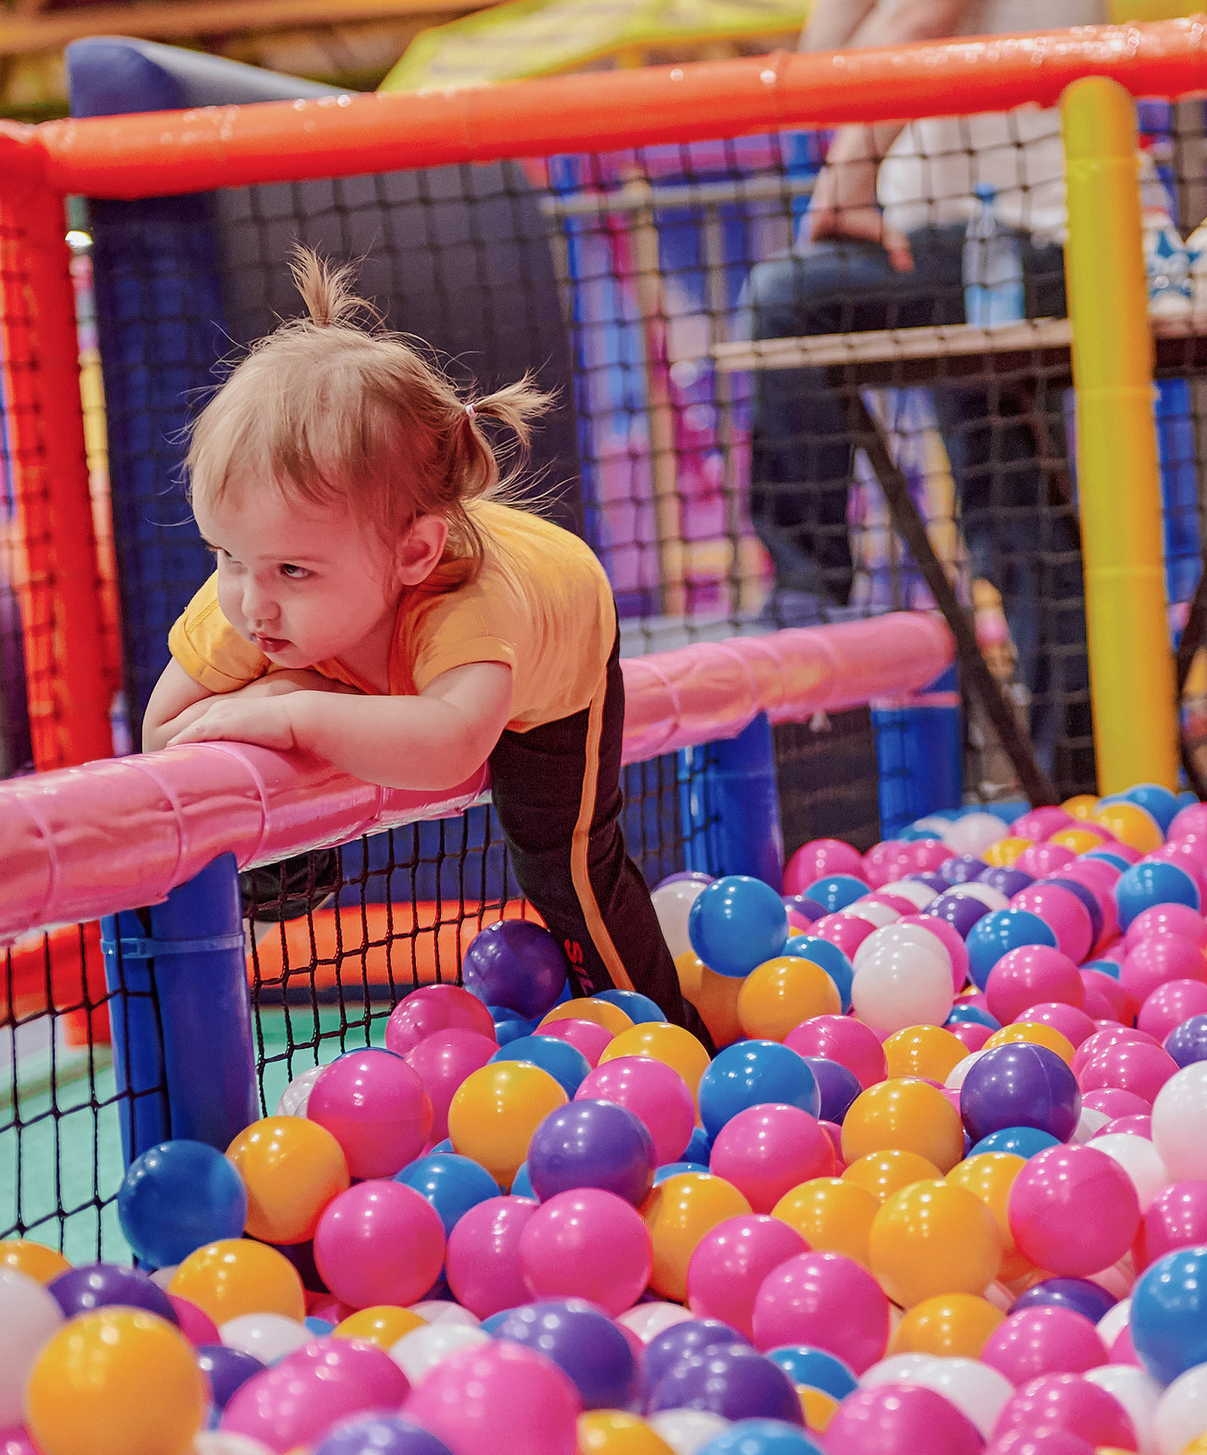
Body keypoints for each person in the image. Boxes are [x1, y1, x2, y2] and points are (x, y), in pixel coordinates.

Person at [144, 249, 711, 1045]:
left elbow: (452, 745)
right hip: (396, 670)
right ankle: (300, 870)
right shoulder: (247, 600)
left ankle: (671, 1042)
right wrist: (275, 697)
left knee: (565, 864)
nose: (250, 598)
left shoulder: (464, 606)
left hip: (559, 643)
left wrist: (299, 713)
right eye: (226, 555)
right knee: (245, 756)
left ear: (412, 555)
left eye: (293, 569)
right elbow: (162, 735)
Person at [745, 0, 1105, 790]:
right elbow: (822, 64)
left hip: (1029, 241)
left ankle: (809, 594)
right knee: (1017, 520)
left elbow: (913, 21)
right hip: (961, 249)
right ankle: (1080, 791)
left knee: (791, 298)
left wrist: (842, 182)